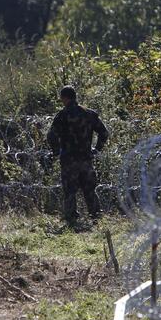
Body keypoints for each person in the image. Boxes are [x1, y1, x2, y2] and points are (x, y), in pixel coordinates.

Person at [47, 85, 108, 231]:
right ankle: (96, 217)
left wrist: (56, 151)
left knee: (70, 191)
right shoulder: (89, 114)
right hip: (86, 158)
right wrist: (96, 149)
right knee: (89, 189)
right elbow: (104, 133)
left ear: (64, 98)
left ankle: (71, 220)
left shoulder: (62, 115)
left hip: (68, 159)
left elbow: (51, 135)